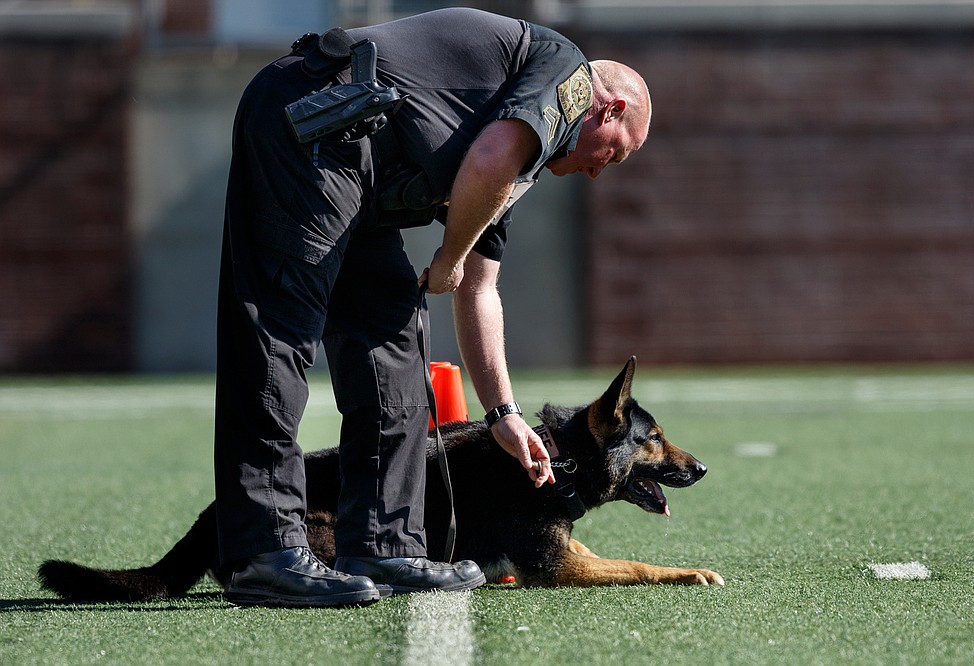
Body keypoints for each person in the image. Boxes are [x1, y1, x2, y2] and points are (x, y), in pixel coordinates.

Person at [213, 7, 651, 607]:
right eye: (615, 154)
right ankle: (265, 550)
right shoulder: (564, 71)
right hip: (316, 114)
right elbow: (487, 169)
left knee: (393, 333)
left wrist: (502, 413)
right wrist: (448, 256)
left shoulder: (519, 153)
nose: (599, 173)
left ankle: (384, 544)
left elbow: (478, 287)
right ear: (610, 110)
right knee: (279, 331)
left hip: (358, 155)